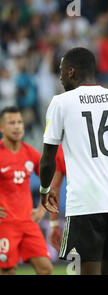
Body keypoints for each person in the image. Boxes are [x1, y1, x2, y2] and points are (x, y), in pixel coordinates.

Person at [39, 47, 108, 275]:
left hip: (84, 206)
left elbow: (49, 156)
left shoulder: (60, 103)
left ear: (71, 72)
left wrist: (44, 188)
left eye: (60, 72)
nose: (59, 77)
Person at [48, 145, 108, 250]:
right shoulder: (106, 140)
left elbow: (54, 188)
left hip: (80, 213)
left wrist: (54, 224)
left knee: (83, 261)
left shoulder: (63, 147)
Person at [0, 106, 53, 275]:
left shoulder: (30, 153)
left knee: (45, 268)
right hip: (5, 223)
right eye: (11, 123)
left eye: (20, 122)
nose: (17, 127)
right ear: (1, 127)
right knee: (8, 270)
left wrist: (42, 209)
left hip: (28, 222)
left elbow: (50, 181)